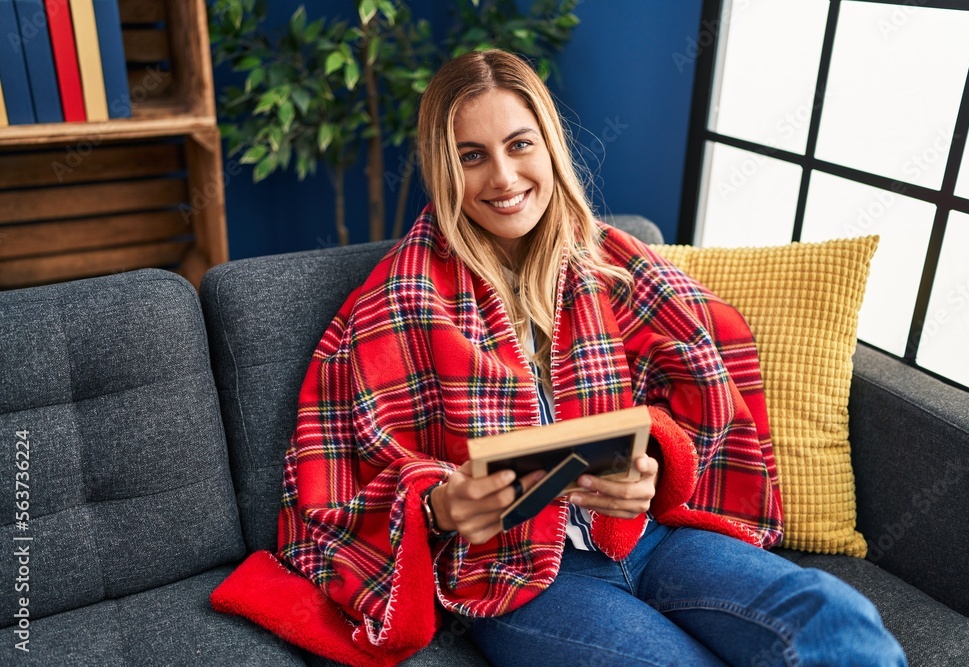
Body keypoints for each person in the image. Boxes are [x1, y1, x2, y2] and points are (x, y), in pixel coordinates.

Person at [211, 49, 907, 666]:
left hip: (650, 536)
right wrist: (439, 507)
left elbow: (707, 367)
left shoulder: (614, 263)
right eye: (471, 154)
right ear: (441, 167)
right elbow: (330, 492)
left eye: (519, 144)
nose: (503, 176)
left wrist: (653, 464)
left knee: (836, 618)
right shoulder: (394, 303)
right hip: (517, 577)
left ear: (549, 145)